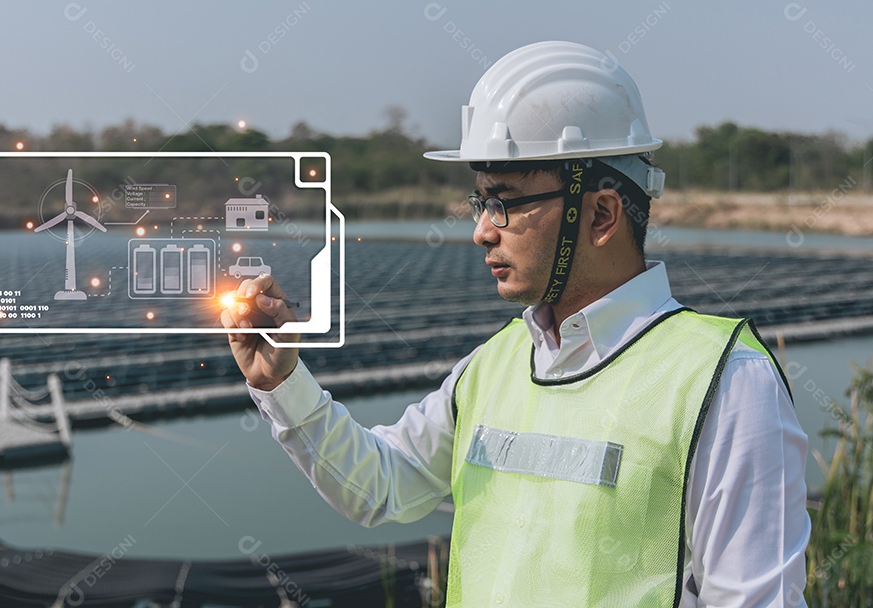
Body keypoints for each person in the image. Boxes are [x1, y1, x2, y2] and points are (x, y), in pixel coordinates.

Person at [221, 41, 809, 607]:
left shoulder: (726, 384)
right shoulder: (495, 365)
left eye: (503, 201)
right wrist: (282, 382)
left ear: (601, 213)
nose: (482, 230)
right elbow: (383, 486)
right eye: (480, 203)